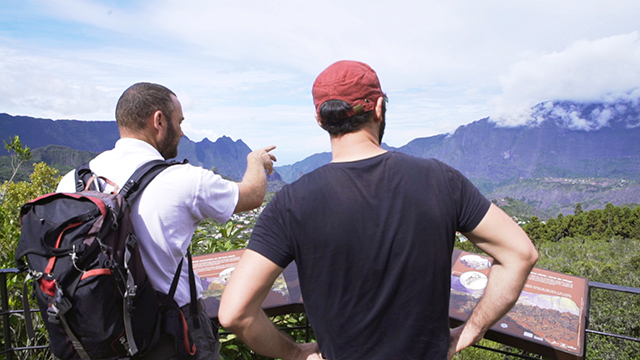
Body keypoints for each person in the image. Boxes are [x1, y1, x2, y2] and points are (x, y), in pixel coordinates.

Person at [218, 60, 539, 360]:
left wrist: (297, 353)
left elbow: (235, 312)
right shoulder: (442, 180)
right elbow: (520, 254)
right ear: (380, 108)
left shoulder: (291, 202)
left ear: (320, 119)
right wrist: (472, 329)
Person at [56, 82, 276, 360]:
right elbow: (252, 195)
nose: (182, 132)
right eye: (179, 121)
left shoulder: (72, 180)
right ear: (159, 120)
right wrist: (255, 161)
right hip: (170, 331)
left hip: (98, 329)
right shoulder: (182, 179)